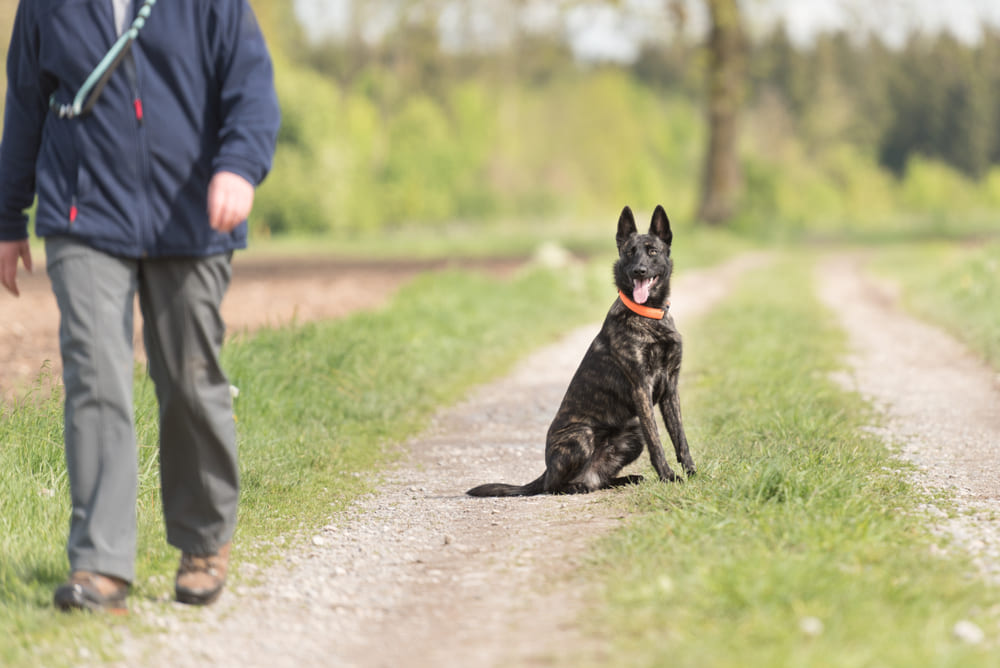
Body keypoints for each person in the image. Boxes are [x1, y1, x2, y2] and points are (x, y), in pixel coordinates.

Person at [0, 0, 281, 612]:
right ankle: (100, 564)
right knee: (95, 377)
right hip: (83, 217)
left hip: (192, 217)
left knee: (188, 377)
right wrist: (7, 216)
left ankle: (204, 539)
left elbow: (252, 89)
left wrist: (238, 166)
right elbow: (24, 103)